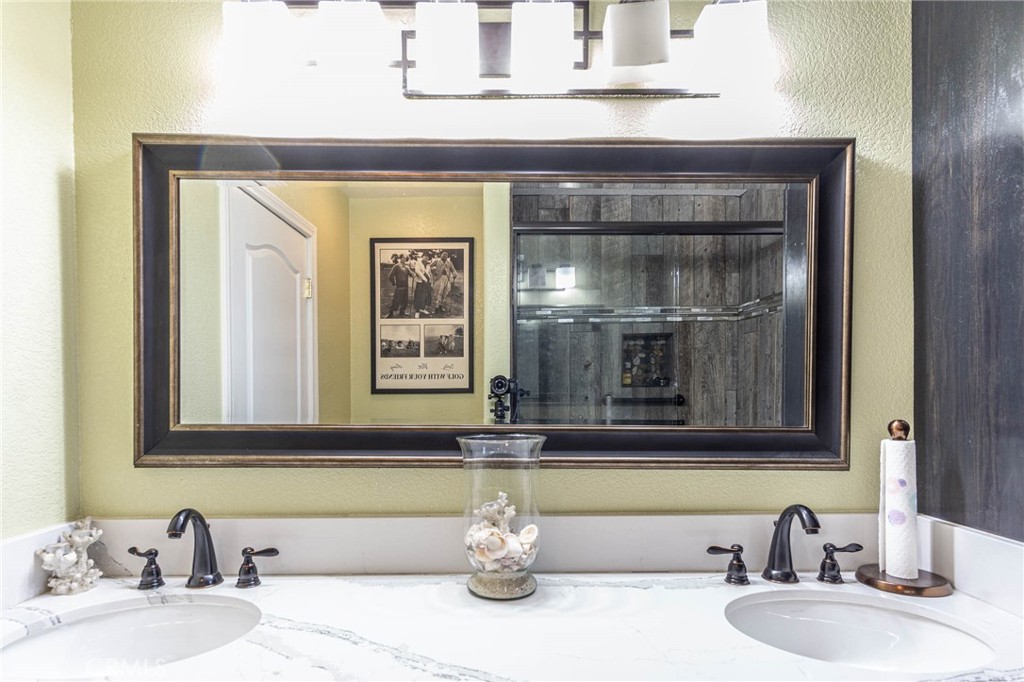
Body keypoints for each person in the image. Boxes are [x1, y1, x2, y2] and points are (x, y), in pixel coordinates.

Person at [429, 251, 456, 317]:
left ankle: (441, 306)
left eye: (446, 255)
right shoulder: (437, 261)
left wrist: (455, 274)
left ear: (447, 256)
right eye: (443, 255)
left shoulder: (449, 262)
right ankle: (436, 307)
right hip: (439, 278)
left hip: (447, 279)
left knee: (445, 293)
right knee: (437, 293)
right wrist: (434, 271)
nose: (445, 256)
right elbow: (430, 267)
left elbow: (453, 270)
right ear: (441, 255)